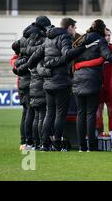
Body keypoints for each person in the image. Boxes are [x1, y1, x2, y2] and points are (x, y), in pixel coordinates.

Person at [26, 17, 95, 151]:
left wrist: (29, 66)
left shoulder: (48, 38)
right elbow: (67, 54)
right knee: (59, 114)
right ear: (69, 27)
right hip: (61, 82)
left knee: (49, 113)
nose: (75, 30)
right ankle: (57, 143)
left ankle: (45, 144)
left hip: (48, 83)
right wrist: (84, 47)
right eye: (74, 28)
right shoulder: (64, 38)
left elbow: (35, 55)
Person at [72, 20, 112, 152]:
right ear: (101, 30)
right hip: (92, 81)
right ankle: (92, 147)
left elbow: (70, 57)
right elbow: (109, 57)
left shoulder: (80, 40)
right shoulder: (100, 41)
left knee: (81, 114)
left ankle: (82, 147)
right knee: (90, 114)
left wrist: (77, 68)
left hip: (77, 80)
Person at [15, 16, 52, 150]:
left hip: (23, 80)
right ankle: (30, 142)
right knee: (33, 113)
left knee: (26, 112)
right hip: (32, 78)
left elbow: (16, 49)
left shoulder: (23, 38)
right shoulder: (38, 38)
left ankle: (24, 141)